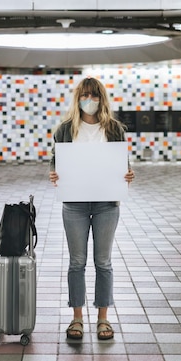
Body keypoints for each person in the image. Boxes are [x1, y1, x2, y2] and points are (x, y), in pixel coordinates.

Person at [49, 76, 135, 341]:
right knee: (77, 262)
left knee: (103, 262)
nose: (90, 100)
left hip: (106, 203)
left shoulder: (114, 129)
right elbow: (55, 162)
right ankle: (77, 318)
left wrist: (128, 174)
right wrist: (54, 174)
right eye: (85, 95)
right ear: (78, 98)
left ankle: (103, 319)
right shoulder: (64, 129)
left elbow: (123, 164)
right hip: (74, 203)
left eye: (95, 95)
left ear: (102, 98)